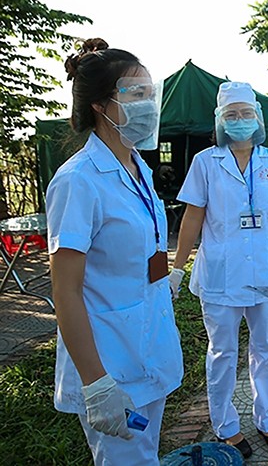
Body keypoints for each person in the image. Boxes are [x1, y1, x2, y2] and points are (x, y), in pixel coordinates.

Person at [46, 38, 183, 465]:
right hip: (111, 362)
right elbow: (65, 291)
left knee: (147, 457)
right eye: (136, 94)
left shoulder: (138, 165)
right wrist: (95, 383)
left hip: (149, 345)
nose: (149, 104)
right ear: (102, 106)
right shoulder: (79, 181)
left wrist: (166, 278)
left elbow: (141, 248)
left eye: (150, 94)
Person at [170, 81, 268, 458]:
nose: (239, 120)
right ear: (220, 120)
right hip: (221, 273)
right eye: (231, 115)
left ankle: (265, 417)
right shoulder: (206, 162)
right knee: (222, 351)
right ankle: (226, 425)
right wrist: (178, 268)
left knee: (266, 347)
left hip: (265, 273)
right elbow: (192, 217)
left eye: (245, 113)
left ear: (257, 118)